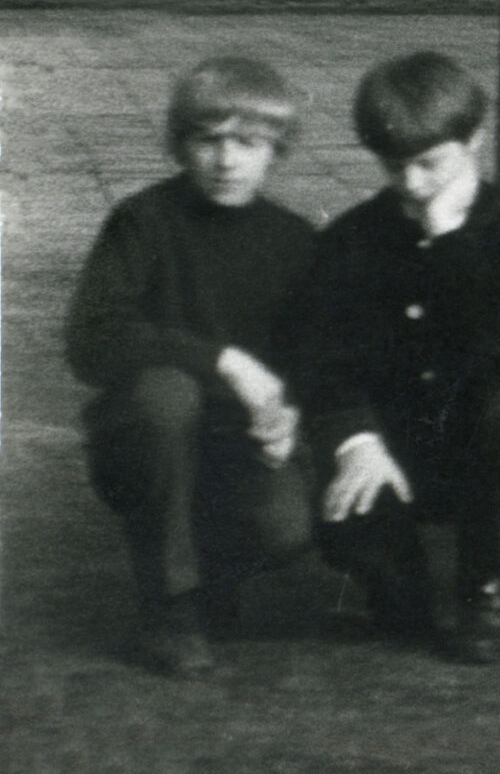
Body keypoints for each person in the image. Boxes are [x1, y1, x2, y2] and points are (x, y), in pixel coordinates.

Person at [297, 53, 500, 665]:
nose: (412, 184)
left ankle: (486, 587)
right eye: (394, 166)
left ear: (476, 141)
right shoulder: (351, 240)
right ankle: (394, 576)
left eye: (430, 163)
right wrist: (354, 438)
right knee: (397, 609)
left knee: (497, 398)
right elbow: (322, 355)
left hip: (484, 447)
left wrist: (447, 239)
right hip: (388, 439)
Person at [66, 57, 316, 678]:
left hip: (238, 442)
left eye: (248, 143)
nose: (226, 160)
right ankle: (171, 607)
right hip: (146, 438)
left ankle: (212, 571)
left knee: (286, 528)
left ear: (276, 150)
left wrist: (288, 415)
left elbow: (310, 355)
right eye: (209, 140)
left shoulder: (294, 240)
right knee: (166, 392)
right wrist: (222, 360)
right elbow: (90, 339)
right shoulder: (144, 221)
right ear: (181, 144)